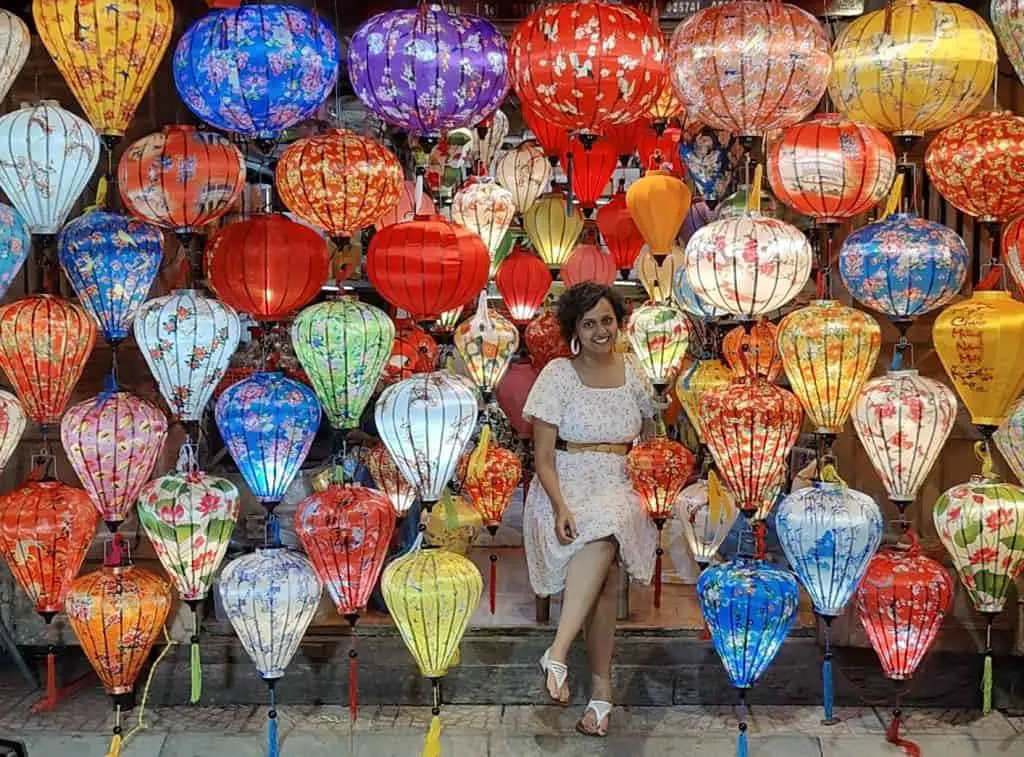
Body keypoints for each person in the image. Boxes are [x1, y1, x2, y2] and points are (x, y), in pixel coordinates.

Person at [521, 282, 658, 737]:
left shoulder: (636, 372)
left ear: (619, 322)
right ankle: (600, 694)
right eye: (590, 323)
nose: (601, 330)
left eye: (607, 320)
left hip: (620, 482)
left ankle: (557, 654)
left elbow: (654, 435)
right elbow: (542, 458)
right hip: (564, 484)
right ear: (574, 329)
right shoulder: (558, 374)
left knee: (608, 527)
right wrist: (559, 505)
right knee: (602, 559)